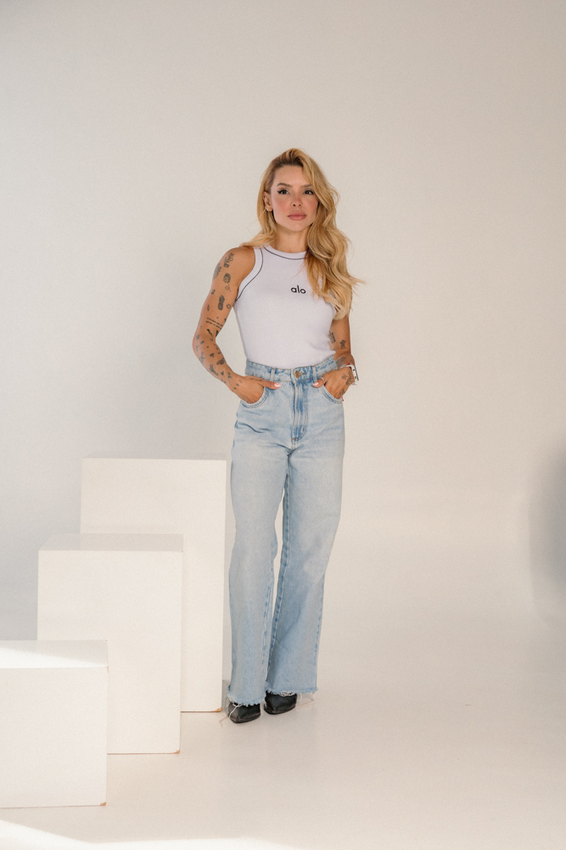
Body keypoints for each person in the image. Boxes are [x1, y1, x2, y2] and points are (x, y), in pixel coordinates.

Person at [193, 148, 360, 723]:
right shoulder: (244, 260)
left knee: (310, 550)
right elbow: (204, 335)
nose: (295, 201)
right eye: (284, 190)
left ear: (319, 201)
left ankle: (286, 678)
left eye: (307, 191)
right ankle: (245, 684)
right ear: (267, 199)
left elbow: (343, 345)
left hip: (321, 414)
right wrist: (237, 383)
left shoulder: (329, 267)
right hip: (262, 410)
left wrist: (345, 374)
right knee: (253, 549)